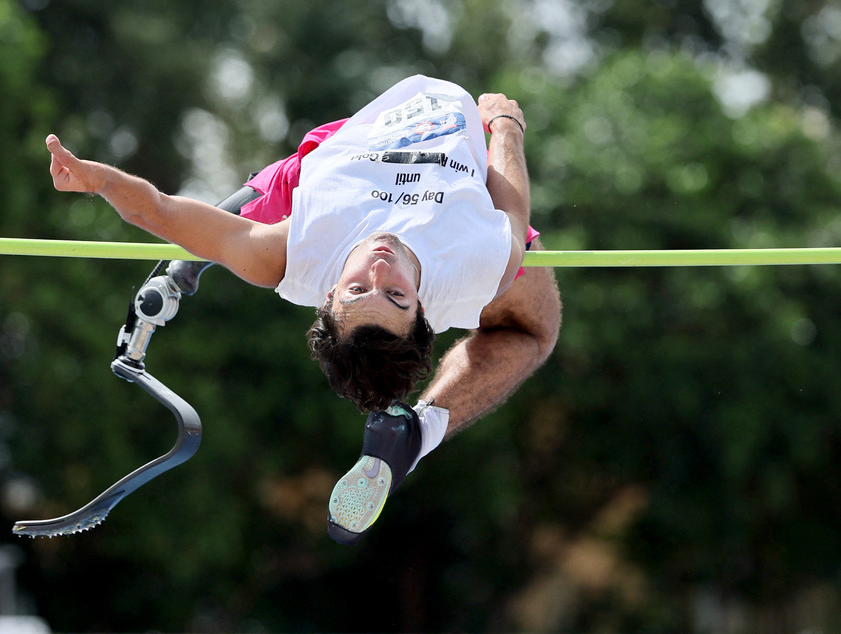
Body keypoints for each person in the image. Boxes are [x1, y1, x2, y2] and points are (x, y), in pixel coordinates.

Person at [46, 75, 562, 544]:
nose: (380, 271)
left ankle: (194, 264)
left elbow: (155, 209)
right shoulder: (480, 260)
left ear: (330, 293)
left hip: (336, 160)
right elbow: (511, 202)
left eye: (359, 291)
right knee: (533, 332)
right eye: (397, 296)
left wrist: (100, 182)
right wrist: (507, 128)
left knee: (250, 216)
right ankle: (419, 431)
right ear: (425, 309)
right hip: (446, 184)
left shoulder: (299, 248)